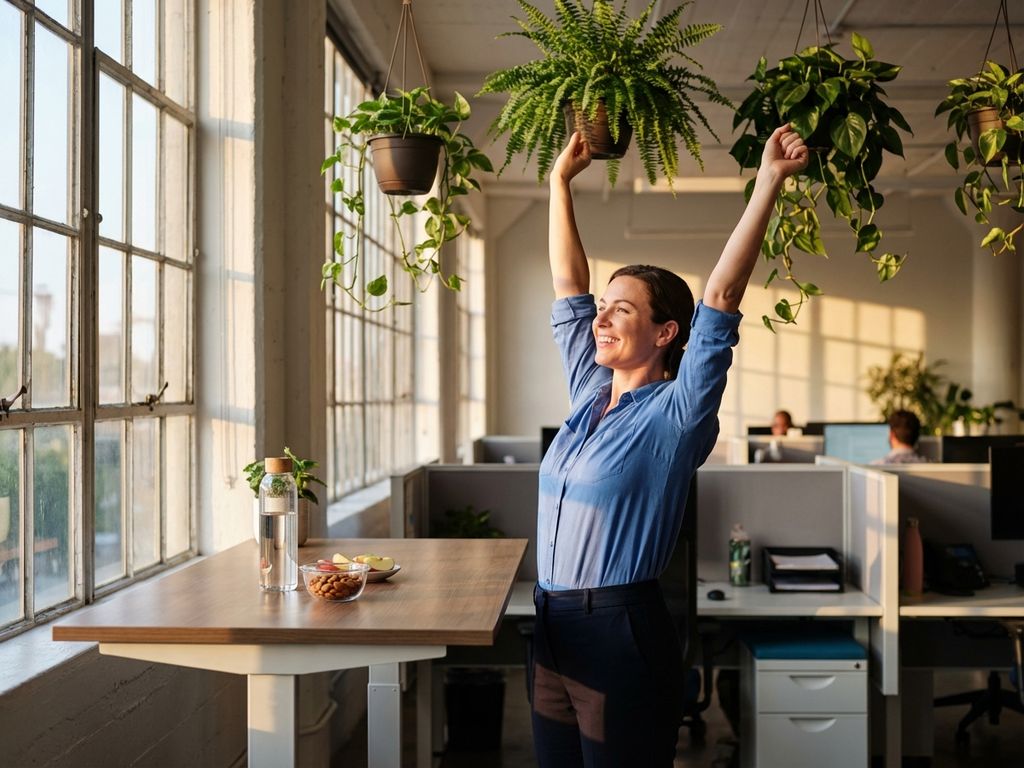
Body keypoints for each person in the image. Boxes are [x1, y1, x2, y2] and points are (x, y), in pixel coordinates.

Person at [531, 125, 808, 767]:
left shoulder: (677, 415)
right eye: (605, 307)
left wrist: (767, 181)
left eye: (622, 310)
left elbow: (722, 299)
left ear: (665, 332)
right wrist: (557, 183)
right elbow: (569, 288)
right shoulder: (587, 391)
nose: (600, 318)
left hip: (619, 630)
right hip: (549, 626)